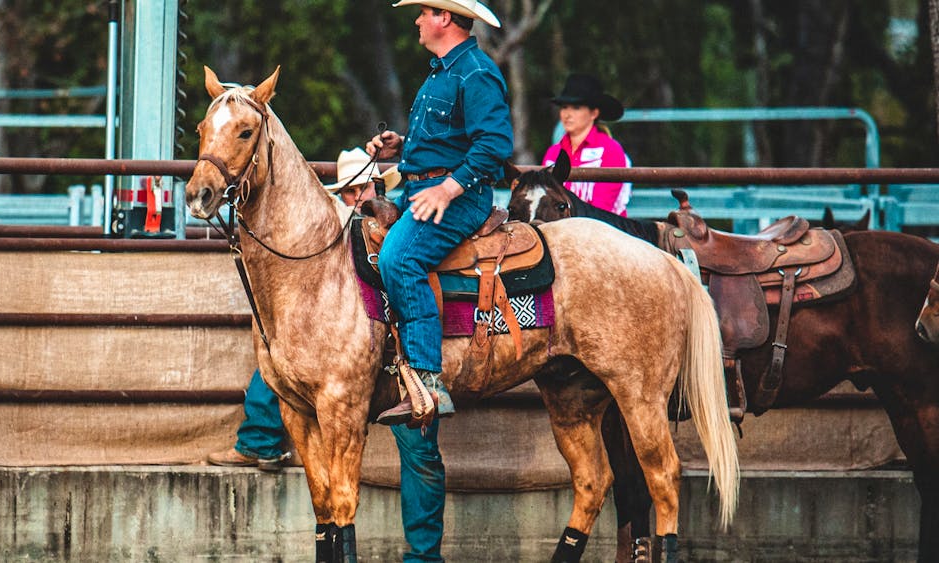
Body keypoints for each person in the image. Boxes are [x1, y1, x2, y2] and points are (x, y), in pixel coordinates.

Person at [366, 1, 512, 561]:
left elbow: (494, 147)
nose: (416, 22)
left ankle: (425, 380)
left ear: (444, 19)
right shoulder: (442, 73)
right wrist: (400, 149)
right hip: (421, 186)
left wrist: (448, 190)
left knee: (399, 259)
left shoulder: (476, 73)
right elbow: (451, 141)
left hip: (461, 199)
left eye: (423, 13)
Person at [206, 148, 399, 471]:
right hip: (330, 325)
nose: (355, 197)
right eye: (349, 191)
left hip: (356, 326)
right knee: (281, 356)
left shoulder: (388, 229)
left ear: (378, 189)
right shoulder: (334, 225)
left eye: (361, 189)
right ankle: (260, 440)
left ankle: (259, 440)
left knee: (285, 358)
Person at [542, 73, 633, 216]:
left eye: (576, 107)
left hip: (601, 232)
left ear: (594, 113)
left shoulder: (610, 150)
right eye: (564, 107)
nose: (567, 114)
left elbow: (602, 208)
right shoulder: (553, 153)